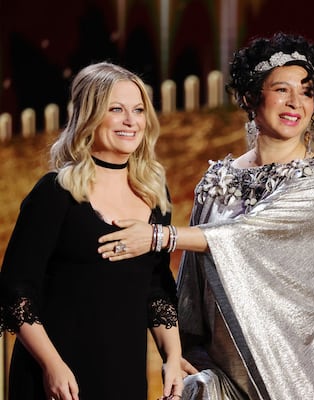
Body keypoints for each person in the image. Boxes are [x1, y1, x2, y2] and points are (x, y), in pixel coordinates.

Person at [97, 32, 314, 400]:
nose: (296, 102)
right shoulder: (220, 178)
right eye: (282, 89)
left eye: (307, 91)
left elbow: (247, 235)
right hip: (224, 364)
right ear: (251, 97)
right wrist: (184, 345)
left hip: (301, 366)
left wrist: (157, 236)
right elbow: (194, 275)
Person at [0, 62, 184, 400]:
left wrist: (172, 357)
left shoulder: (155, 194)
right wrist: (52, 366)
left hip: (123, 375)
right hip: (57, 380)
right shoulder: (55, 193)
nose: (131, 121)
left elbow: (157, 290)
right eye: (116, 109)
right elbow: (16, 291)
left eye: (139, 110)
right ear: (90, 115)